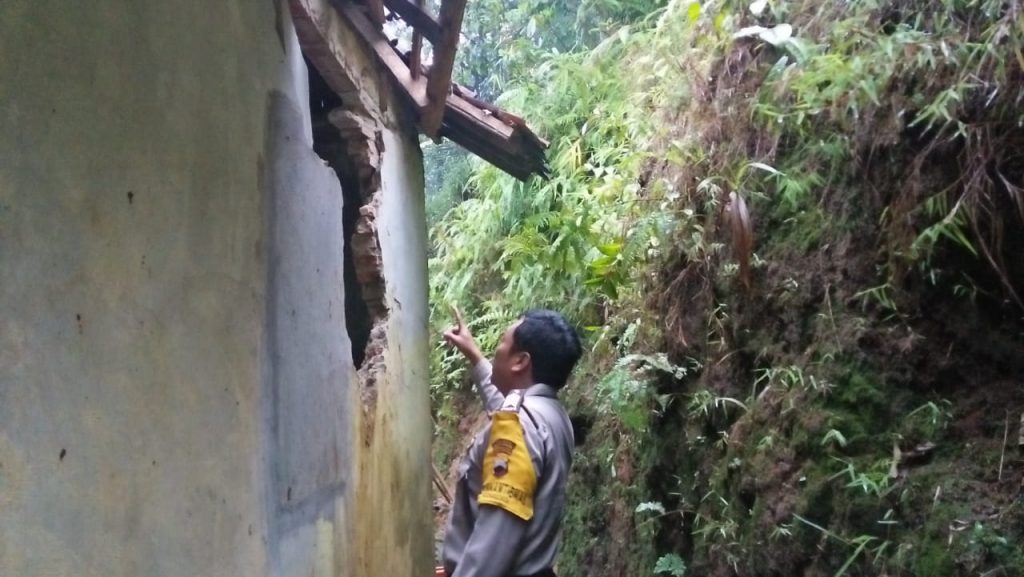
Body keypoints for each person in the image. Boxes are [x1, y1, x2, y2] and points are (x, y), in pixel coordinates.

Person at [439, 307, 582, 577]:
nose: (496, 350)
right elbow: (509, 411)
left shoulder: (519, 427)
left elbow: (491, 549)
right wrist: (474, 355)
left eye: (501, 343)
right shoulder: (551, 414)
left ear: (520, 361)